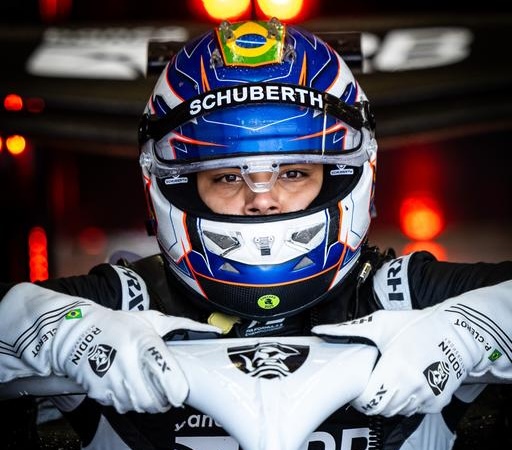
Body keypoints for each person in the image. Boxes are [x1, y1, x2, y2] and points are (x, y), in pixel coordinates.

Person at [1, 17, 511, 450]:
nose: (263, 199)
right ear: (174, 186)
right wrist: (59, 329)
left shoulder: (404, 296)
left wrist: (468, 331)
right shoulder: (121, 305)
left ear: (347, 175)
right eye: (227, 177)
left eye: (294, 172)